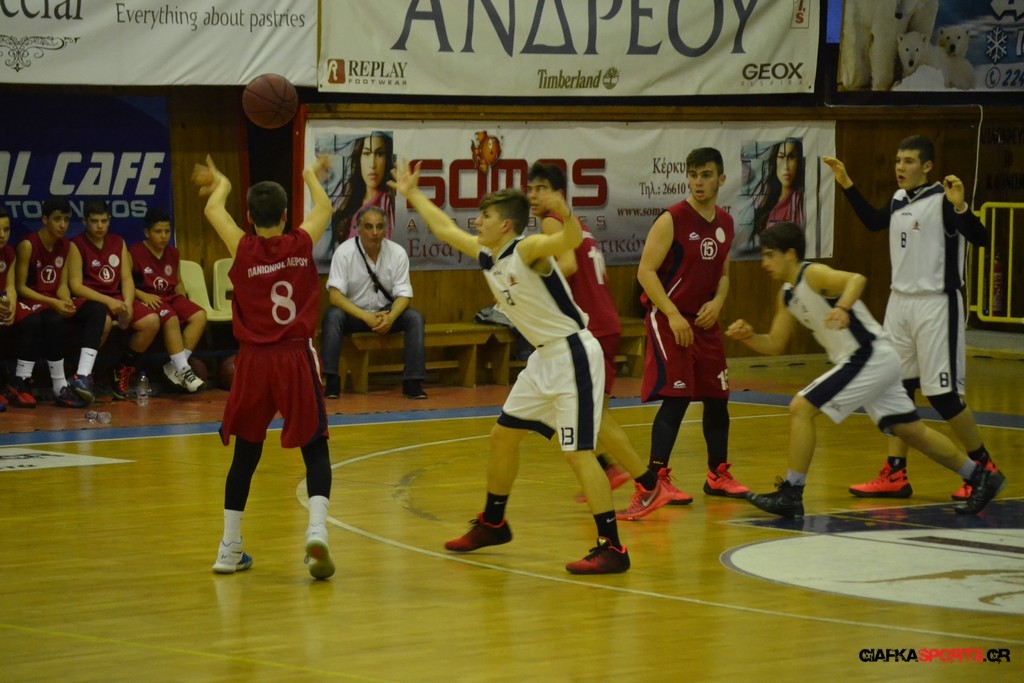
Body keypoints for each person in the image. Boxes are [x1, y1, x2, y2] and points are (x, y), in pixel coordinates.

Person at [392, 159, 670, 575]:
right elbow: (445, 230)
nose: (476, 221)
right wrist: (413, 193)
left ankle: (612, 547)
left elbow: (568, 240)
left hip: (573, 355)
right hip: (543, 359)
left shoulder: (527, 250)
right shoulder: (488, 254)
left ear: (506, 224)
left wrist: (564, 210)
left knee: (578, 454)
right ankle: (493, 522)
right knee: (502, 436)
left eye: (485, 216)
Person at [726, 221, 1005, 518]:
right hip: (875, 361)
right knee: (913, 433)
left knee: (801, 408)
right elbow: (775, 343)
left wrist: (842, 307)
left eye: (770, 255)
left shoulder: (813, 274)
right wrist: (749, 337)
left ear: (791, 254)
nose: (764, 263)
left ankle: (792, 493)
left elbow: (856, 279)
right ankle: (980, 477)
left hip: (867, 356)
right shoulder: (787, 295)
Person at [823, 135, 997, 502]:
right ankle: (895, 473)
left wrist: (962, 206)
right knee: (896, 390)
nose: (900, 167)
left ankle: (985, 469)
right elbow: (873, 222)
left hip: (936, 303)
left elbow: (981, 238)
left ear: (928, 166)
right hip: (899, 304)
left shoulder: (943, 200)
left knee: (943, 395)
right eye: (898, 160)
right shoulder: (899, 199)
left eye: (909, 161)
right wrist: (847, 183)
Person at [192, 153, 336, 580]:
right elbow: (325, 207)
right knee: (315, 447)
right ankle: (317, 531)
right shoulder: (301, 243)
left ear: (250, 218)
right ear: (286, 215)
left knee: (245, 454)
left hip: (253, 361)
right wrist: (309, 174)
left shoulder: (241, 247)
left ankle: (229, 548)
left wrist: (222, 184)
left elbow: (212, 209)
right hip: (294, 356)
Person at [526, 162, 670, 521]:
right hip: (600, 324)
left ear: (559, 194)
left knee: (598, 416)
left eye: (541, 188)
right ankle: (608, 468)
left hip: (590, 328)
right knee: (564, 405)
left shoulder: (551, 223)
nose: (533, 195)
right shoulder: (577, 225)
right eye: (530, 188)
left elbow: (567, 266)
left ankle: (648, 485)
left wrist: (528, 280)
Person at [636, 147, 750, 505]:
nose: (698, 182)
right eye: (693, 175)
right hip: (670, 318)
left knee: (718, 399)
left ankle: (718, 474)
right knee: (677, 398)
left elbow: (724, 275)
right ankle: (655, 480)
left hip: (704, 322)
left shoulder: (725, 223)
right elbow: (645, 272)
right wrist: (672, 314)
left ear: (721, 179)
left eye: (706, 175)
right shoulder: (672, 218)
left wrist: (718, 303)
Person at [8, 197, 109, 409]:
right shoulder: (28, 245)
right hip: (33, 300)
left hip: (52, 300)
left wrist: (65, 300)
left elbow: (62, 285)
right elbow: (21, 287)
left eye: (66, 219)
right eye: (57, 219)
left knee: (97, 308)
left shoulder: (67, 246)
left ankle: (82, 375)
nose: (63, 224)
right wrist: (54, 303)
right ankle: (56, 384)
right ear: (44, 219)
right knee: (52, 320)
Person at [320, 205, 426, 399]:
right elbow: (335, 296)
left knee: (415, 318)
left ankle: (413, 382)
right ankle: (331, 382)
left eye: (379, 227)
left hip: (385, 314)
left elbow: (404, 295)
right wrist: (366, 317)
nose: (374, 233)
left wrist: (391, 318)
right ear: (358, 229)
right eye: (369, 227)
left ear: (386, 230)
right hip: (355, 314)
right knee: (332, 316)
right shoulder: (344, 252)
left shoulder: (397, 253)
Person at [68, 200, 160, 401]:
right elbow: (76, 285)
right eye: (94, 221)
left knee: (151, 321)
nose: (100, 226)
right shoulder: (76, 244)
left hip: (117, 297)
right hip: (91, 299)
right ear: (84, 221)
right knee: (104, 322)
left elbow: (126, 279)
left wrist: (128, 303)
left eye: (104, 221)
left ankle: (122, 368)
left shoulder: (118, 242)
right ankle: (84, 374)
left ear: (109, 220)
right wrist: (109, 302)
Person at [129, 208, 207, 393]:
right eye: (158, 231)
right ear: (147, 232)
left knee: (199, 315)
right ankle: (183, 370)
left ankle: (176, 366)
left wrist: (183, 300)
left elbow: (178, 281)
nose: (164, 236)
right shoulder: (134, 252)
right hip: (150, 299)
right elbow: (124, 282)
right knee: (170, 318)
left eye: (167, 231)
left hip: (171, 296)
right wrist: (141, 295)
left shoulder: (173, 252)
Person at [330, 132, 395, 245]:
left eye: (379, 154)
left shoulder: (390, 203)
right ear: (359, 158)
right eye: (366, 153)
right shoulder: (349, 203)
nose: (372, 164)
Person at [750, 138, 805, 251]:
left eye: (791, 157)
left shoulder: (799, 201)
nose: (786, 166)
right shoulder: (764, 198)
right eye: (781, 157)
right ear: (775, 160)